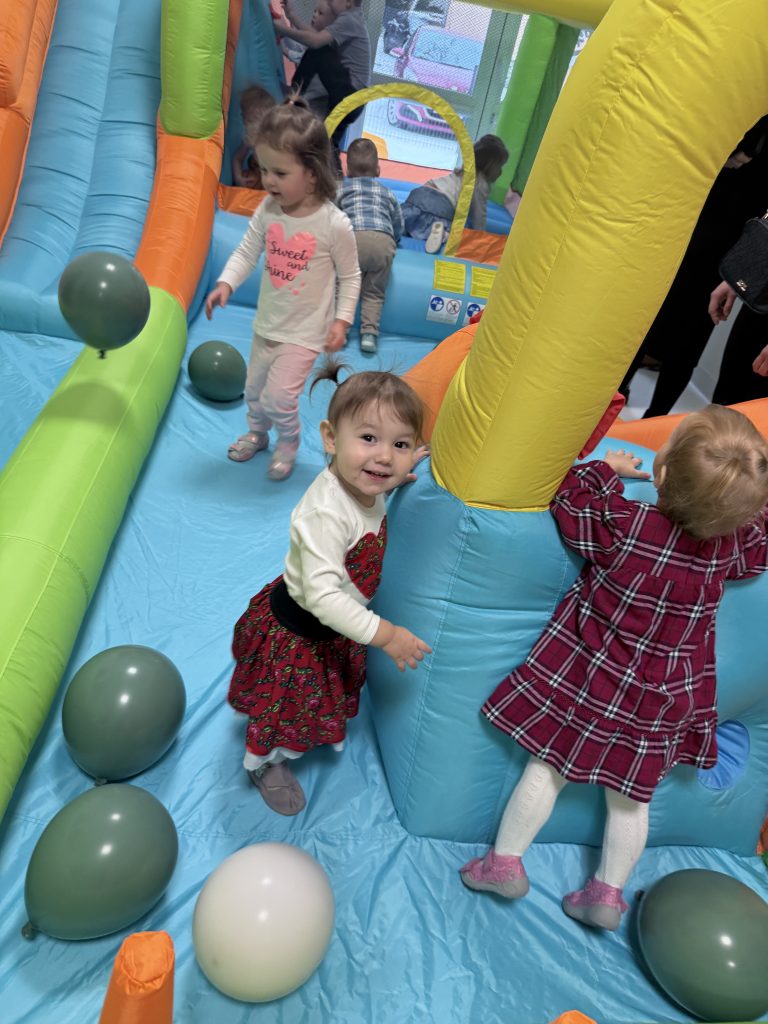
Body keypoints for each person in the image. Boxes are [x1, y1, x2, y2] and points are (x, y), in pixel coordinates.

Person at [460, 405, 768, 929]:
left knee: (546, 770)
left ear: (662, 472)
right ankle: (606, 894)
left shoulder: (626, 525)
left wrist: (608, 469)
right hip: (661, 702)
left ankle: (503, 864)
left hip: (591, 684)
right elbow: (757, 548)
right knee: (631, 801)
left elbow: (569, 498)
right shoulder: (726, 550)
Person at [227, 363, 432, 815]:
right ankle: (266, 762)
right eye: (369, 439)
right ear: (330, 438)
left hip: (332, 630)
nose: (384, 457)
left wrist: (399, 472)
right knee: (285, 709)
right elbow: (322, 597)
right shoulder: (325, 512)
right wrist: (387, 635)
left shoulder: (365, 481)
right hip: (299, 634)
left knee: (315, 699)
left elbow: (380, 477)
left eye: (399, 445)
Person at [205, 99, 361, 481]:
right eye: (263, 169)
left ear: (312, 174)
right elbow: (247, 251)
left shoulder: (333, 224)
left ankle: (288, 441)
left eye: (279, 172)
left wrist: (341, 321)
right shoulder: (268, 210)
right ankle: (258, 434)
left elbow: (351, 276)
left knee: (279, 397)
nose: (268, 181)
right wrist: (226, 282)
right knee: (254, 392)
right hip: (268, 324)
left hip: (304, 332)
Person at [620, 115, 768, 415]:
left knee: (690, 330)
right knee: (651, 316)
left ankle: (652, 416)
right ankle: (621, 399)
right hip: (700, 212)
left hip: (731, 226)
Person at [337, 138, 403, 355]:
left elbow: (331, 215)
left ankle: (341, 330)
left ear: (347, 170)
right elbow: (398, 221)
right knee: (374, 293)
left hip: (351, 239)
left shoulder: (342, 189)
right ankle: (369, 334)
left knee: (343, 286)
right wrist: (396, 239)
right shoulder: (387, 192)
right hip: (382, 242)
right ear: (378, 170)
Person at [277, 0, 371, 151]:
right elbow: (316, 35)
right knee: (328, 144)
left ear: (348, 2)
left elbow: (315, 41)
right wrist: (292, 16)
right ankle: (332, 164)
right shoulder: (352, 17)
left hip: (349, 94)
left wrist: (282, 29)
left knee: (318, 51)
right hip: (353, 101)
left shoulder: (349, 19)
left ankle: (294, 93)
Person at [401, 135, 509, 254]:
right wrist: (479, 238)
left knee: (409, 218)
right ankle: (443, 234)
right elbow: (479, 215)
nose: (500, 172)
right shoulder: (480, 182)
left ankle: (400, 225)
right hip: (441, 204)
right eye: (500, 167)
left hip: (420, 194)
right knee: (458, 233)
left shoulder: (462, 170)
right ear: (490, 166)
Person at [231, 85, 277, 189]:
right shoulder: (249, 139)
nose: (241, 116)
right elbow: (237, 159)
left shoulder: (276, 138)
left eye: (244, 114)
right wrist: (239, 178)